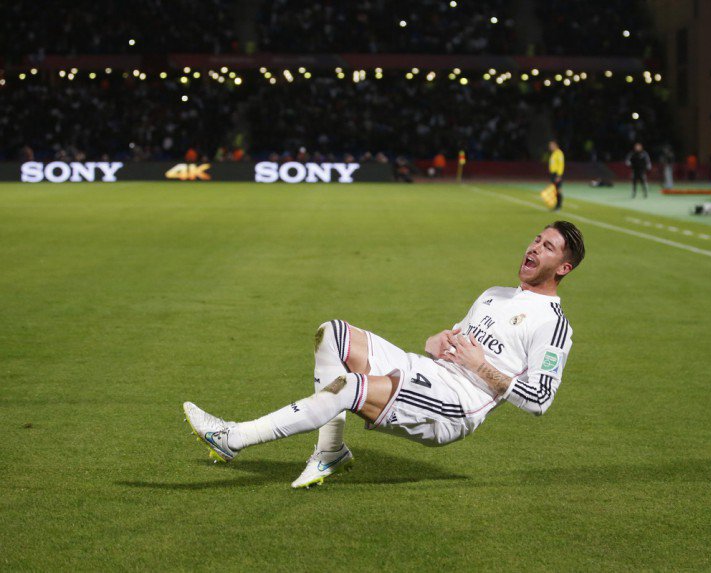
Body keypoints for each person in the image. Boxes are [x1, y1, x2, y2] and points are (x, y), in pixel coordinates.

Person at [183, 221, 586, 488]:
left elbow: (540, 400)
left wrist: (480, 367)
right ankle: (331, 452)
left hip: (455, 405)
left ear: (563, 267)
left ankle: (231, 438)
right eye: (536, 239)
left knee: (350, 388)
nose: (533, 248)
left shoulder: (553, 324)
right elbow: (454, 341)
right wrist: (437, 341)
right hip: (430, 372)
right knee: (333, 334)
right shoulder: (495, 294)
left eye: (547, 247)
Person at [548, 141, 565, 210]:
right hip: (553, 174)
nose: (550, 147)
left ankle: (559, 205)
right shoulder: (554, 153)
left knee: (558, 190)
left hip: (557, 174)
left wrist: (559, 175)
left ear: (556, 145)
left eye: (551, 145)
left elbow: (561, 165)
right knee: (555, 190)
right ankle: (556, 205)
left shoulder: (559, 153)